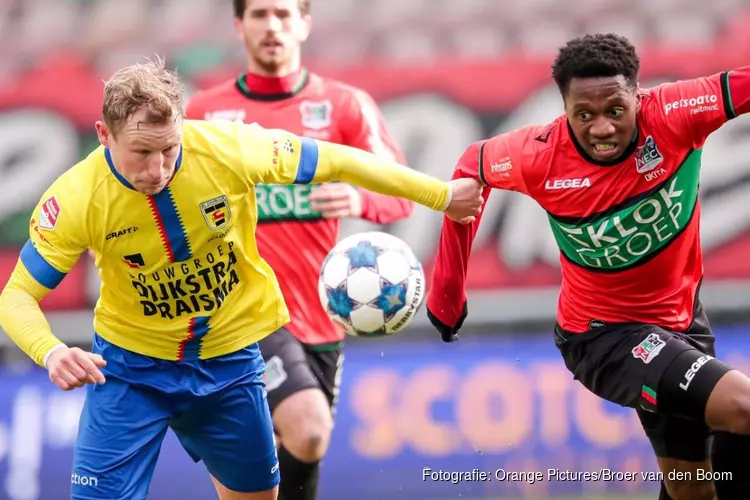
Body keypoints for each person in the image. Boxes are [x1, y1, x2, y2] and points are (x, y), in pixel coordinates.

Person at [0, 58, 482, 500]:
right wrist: (52, 350)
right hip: (130, 371)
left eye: (169, 149)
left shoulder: (231, 149)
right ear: (104, 135)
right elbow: (17, 295)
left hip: (229, 364)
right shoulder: (76, 200)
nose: (158, 169)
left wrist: (440, 195)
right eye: (141, 151)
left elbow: (339, 160)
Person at [425, 33, 750, 500]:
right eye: (584, 115)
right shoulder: (536, 155)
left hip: (682, 324)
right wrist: (447, 294)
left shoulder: (678, 114)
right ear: (565, 108)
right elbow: (468, 168)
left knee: (692, 488)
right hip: (602, 338)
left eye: (615, 111)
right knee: (742, 409)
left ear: (637, 97)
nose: (601, 128)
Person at [185, 1, 413, 498]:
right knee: (306, 429)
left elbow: (403, 191)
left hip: (322, 314)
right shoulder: (204, 115)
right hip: (241, 312)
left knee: (304, 448)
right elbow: (161, 195)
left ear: (304, 23)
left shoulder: (345, 105)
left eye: (284, 14)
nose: (272, 26)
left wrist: (358, 196)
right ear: (238, 26)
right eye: (260, 14)